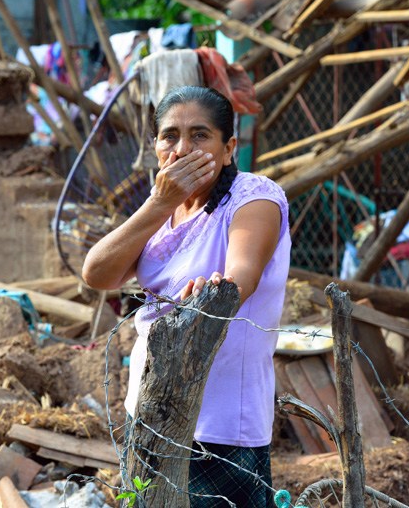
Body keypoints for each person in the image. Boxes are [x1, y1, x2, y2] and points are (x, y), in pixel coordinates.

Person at [82, 85, 291, 507]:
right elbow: (96, 273)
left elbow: (240, 276)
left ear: (228, 148)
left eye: (199, 136)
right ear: (155, 147)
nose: (182, 148)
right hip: (149, 411)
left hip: (220, 425)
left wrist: (213, 294)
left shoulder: (254, 197)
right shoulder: (162, 211)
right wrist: (160, 203)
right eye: (170, 136)